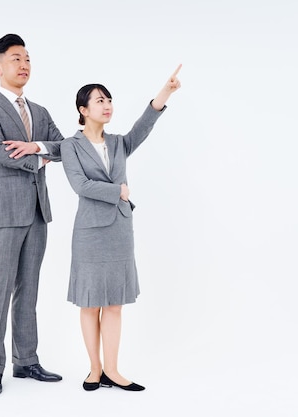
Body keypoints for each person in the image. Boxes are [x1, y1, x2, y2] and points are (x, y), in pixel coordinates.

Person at [60, 65, 182, 392]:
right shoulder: (70, 146)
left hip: (119, 232)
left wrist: (165, 92)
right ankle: (94, 369)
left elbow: (143, 126)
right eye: (99, 101)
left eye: (109, 99)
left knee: (114, 303)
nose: (107, 105)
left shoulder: (118, 143)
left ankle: (112, 370)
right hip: (89, 233)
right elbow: (80, 185)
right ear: (83, 110)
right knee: (89, 303)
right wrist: (118, 191)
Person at [0, 33, 64, 396]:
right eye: (15, 58)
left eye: (27, 58)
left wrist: (38, 146)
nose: (24, 64)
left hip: (38, 211)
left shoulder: (39, 112)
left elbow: (65, 146)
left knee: (29, 289)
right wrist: (40, 159)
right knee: (0, 288)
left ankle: (26, 361)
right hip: (5, 211)